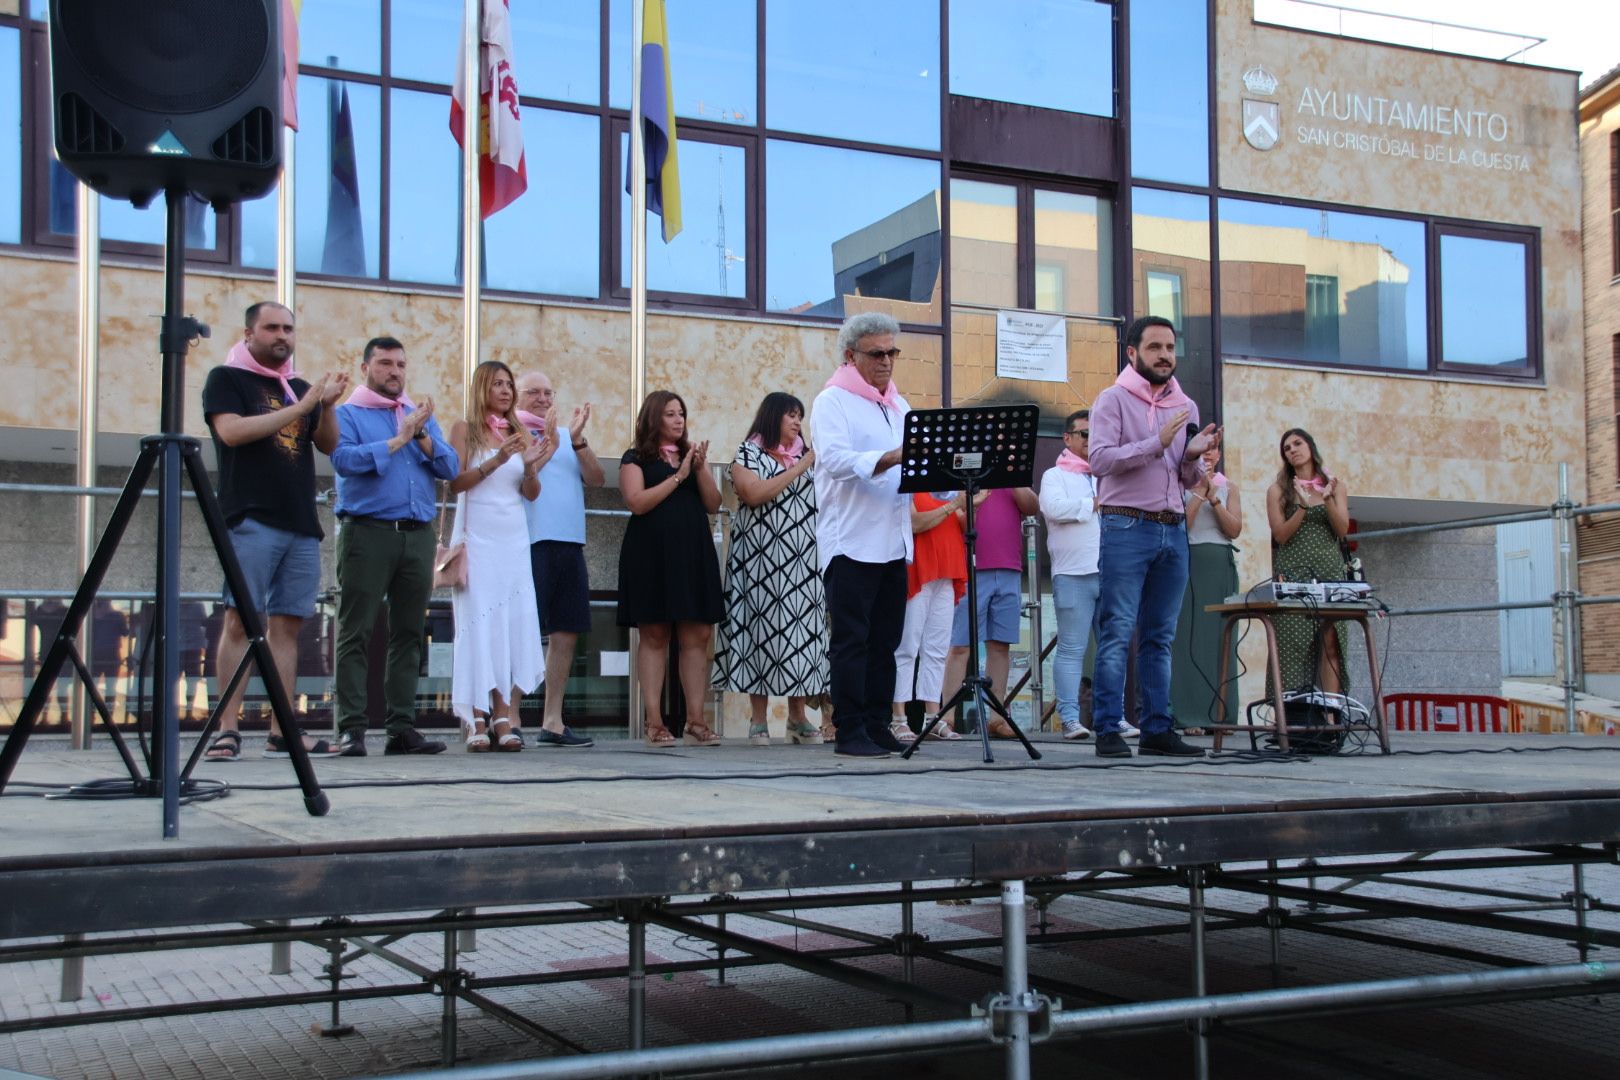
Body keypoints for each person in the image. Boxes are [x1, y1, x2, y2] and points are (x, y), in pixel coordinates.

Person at [202, 302, 348, 761]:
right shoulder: (227, 379)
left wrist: (323, 407)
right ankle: (226, 727)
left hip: (300, 524)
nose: (282, 335)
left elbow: (328, 444)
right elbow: (231, 432)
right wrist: (300, 407)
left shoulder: (300, 387)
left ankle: (282, 729)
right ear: (249, 334)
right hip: (251, 518)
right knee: (240, 621)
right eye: (272, 328)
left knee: (288, 626)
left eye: (289, 328)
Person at [1087, 315, 1219, 759]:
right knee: (1118, 630)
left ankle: (1157, 728)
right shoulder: (1112, 400)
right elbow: (1101, 460)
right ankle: (1107, 729)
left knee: (1160, 635)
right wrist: (1158, 442)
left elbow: (1184, 476)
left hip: (1173, 527)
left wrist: (1193, 457)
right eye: (1154, 347)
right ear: (1132, 353)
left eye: (1170, 347)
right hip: (1126, 524)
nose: (1165, 355)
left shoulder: (1187, 406)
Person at [328, 336, 459, 757]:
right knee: (357, 631)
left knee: (408, 633)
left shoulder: (418, 417)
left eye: (401, 365)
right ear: (366, 367)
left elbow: (451, 466)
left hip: (417, 535)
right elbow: (343, 460)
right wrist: (397, 440)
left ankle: (401, 728)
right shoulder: (347, 413)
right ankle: (351, 729)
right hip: (367, 533)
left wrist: (419, 437)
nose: (395, 372)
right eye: (385, 364)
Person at [810, 312, 912, 759]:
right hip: (851, 541)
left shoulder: (899, 405)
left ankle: (877, 723)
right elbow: (834, 459)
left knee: (886, 642)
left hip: (893, 541)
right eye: (877, 353)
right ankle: (849, 729)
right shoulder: (831, 401)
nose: (887, 361)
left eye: (892, 352)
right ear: (851, 356)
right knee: (852, 641)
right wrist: (890, 457)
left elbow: (916, 466)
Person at [447, 360, 554, 751]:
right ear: (481, 389)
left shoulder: (520, 433)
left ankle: (504, 714)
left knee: (509, 624)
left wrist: (529, 467)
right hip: (477, 539)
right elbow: (455, 482)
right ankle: (476, 716)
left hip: (512, 540)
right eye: (497, 384)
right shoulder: (465, 429)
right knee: (478, 623)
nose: (506, 391)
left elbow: (530, 493)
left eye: (510, 384)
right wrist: (496, 459)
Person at [713, 392, 828, 746]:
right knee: (759, 632)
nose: (797, 422)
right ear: (773, 417)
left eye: (800, 417)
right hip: (760, 563)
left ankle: (798, 718)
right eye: (791, 415)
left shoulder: (810, 460)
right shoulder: (748, 453)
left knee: (801, 636)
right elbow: (754, 493)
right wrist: (799, 467)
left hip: (804, 563)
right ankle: (758, 720)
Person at [617, 391, 725, 747]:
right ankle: (654, 720)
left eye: (681, 413)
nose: (678, 420)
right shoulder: (636, 458)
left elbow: (713, 504)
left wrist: (699, 470)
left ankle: (695, 719)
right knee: (655, 634)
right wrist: (678, 476)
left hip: (692, 552)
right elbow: (637, 502)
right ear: (653, 418)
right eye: (670, 414)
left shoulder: (692, 456)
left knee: (697, 635)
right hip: (651, 554)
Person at [514, 370, 601, 749]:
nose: (543, 398)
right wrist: (546, 443)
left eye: (548, 392)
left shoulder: (567, 436)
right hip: (528, 542)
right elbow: (520, 481)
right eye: (533, 392)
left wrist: (577, 440)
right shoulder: (508, 433)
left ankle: (552, 720)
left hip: (570, 543)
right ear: (517, 396)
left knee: (565, 633)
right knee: (523, 630)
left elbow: (597, 479)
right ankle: (510, 716)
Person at [938, 484, 1038, 738]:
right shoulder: (967, 473)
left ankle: (996, 716)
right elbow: (956, 516)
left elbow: (1032, 507)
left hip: (1009, 566)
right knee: (960, 645)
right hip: (971, 567)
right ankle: (946, 716)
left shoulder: (1010, 474)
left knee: (1000, 645)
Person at [1266, 428, 1352, 696]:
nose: (1292, 450)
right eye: (1287, 448)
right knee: (1291, 643)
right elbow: (1280, 534)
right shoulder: (1279, 489)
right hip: (1294, 573)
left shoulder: (1334, 486)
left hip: (1329, 572)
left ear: (1310, 446)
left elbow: (1342, 530)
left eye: (1297, 443)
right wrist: (1302, 507)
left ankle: (1330, 714)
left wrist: (1326, 500)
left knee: (1331, 640)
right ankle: (1291, 714)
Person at [1170, 445, 1243, 733]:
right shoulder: (1179, 485)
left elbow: (1234, 530)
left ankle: (1222, 716)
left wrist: (1216, 500)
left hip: (1219, 566)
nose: (1208, 456)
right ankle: (1190, 715)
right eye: (1203, 451)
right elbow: (1181, 526)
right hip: (1187, 563)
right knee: (1187, 639)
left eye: (1213, 450)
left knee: (1220, 641)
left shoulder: (1230, 488)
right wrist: (1199, 494)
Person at [1039, 409, 1101, 741]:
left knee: (1112, 649)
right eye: (1085, 434)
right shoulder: (1054, 475)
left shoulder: (1107, 474)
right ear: (1068, 438)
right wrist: (1092, 503)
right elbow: (1053, 508)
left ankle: (1112, 717)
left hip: (1110, 572)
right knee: (1072, 649)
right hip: (1073, 573)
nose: (1092, 440)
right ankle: (1070, 719)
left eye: (1096, 434)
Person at [891, 489, 968, 742]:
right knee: (907, 647)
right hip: (919, 567)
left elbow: (961, 522)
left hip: (946, 566)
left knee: (936, 648)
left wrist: (971, 505)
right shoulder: (911, 484)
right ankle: (898, 719)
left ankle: (933, 718)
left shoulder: (948, 485)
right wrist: (954, 504)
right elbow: (915, 523)